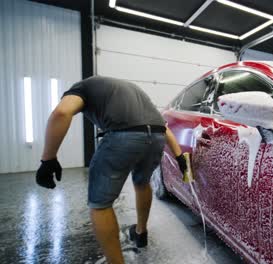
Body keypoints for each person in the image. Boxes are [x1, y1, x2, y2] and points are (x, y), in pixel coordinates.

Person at [35, 76, 187, 264]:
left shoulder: (80, 88)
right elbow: (163, 128)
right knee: (142, 182)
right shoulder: (132, 90)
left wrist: (48, 159)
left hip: (123, 136)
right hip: (157, 137)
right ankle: (140, 233)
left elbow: (61, 113)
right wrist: (179, 156)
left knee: (100, 204)